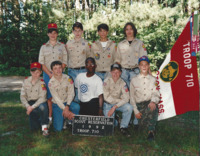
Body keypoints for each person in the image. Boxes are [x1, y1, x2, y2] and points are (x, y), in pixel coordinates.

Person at [115, 22, 148, 127]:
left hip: (136, 71)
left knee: (136, 95)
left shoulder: (139, 43)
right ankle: (127, 118)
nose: (129, 31)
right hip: (124, 72)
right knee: (126, 96)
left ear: (134, 30)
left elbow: (145, 60)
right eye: (127, 29)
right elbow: (117, 60)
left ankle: (136, 120)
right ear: (125, 31)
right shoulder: (120, 45)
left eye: (131, 29)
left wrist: (148, 74)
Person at [38, 23, 68, 127]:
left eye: (54, 33)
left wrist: (58, 72)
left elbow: (65, 61)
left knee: (61, 95)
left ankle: (63, 116)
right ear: (48, 34)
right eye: (50, 33)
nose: (53, 35)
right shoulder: (43, 47)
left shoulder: (62, 46)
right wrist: (50, 74)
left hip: (60, 75)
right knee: (49, 97)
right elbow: (41, 63)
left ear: (57, 34)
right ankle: (50, 117)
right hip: (48, 75)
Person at [130, 56, 160, 141]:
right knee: (141, 129)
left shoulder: (153, 79)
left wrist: (153, 101)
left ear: (148, 66)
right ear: (139, 66)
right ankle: (141, 124)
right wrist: (136, 111)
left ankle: (151, 132)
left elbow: (156, 93)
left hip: (148, 103)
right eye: (142, 65)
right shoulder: (134, 80)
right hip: (139, 106)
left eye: (146, 65)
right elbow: (131, 97)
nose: (144, 67)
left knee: (153, 107)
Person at [48, 61, 80, 131]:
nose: (58, 70)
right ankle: (62, 118)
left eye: (60, 68)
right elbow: (56, 99)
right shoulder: (51, 83)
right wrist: (65, 109)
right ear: (52, 71)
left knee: (76, 107)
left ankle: (71, 122)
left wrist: (67, 106)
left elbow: (71, 93)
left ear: (62, 69)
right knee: (58, 129)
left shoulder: (68, 78)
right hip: (58, 104)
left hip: (68, 102)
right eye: (55, 68)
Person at [103, 63, 133, 137]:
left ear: (120, 73)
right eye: (113, 72)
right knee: (110, 126)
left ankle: (123, 127)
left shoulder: (123, 83)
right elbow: (106, 97)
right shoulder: (106, 82)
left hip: (116, 105)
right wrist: (119, 100)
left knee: (129, 107)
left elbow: (126, 98)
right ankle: (116, 120)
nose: (115, 74)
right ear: (110, 72)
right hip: (108, 104)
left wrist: (115, 106)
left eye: (117, 72)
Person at [20, 62, 49, 136]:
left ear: (41, 72)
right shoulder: (26, 81)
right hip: (30, 103)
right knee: (34, 129)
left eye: (37, 72)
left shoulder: (42, 82)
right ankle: (39, 121)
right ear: (30, 72)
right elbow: (22, 96)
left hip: (40, 102)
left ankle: (45, 127)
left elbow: (42, 98)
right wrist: (27, 106)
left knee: (43, 108)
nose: (35, 74)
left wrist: (31, 108)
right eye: (33, 72)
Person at [66, 22, 91, 103]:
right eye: (75, 31)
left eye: (79, 30)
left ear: (82, 31)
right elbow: (66, 57)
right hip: (72, 71)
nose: (77, 33)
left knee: (83, 91)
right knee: (73, 91)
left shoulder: (86, 44)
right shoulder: (68, 43)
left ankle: (83, 111)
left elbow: (89, 58)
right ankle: (75, 112)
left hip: (83, 70)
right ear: (73, 32)